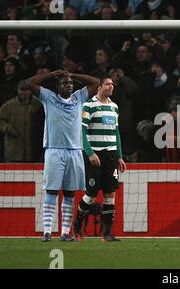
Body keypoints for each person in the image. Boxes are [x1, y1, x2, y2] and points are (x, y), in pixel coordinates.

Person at [27, 69, 100, 242]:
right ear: (57, 85)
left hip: (75, 151)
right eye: (65, 83)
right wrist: (52, 74)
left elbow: (96, 81)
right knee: (51, 191)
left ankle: (65, 233)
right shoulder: (49, 97)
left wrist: (74, 75)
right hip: (54, 150)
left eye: (70, 83)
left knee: (69, 193)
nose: (68, 85)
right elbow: (30, 83)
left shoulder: (79, 97)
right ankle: (46, 232)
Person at [73, 77, 127, 242]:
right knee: (91, 194)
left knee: (110, 194)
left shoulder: (114, 107)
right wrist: (89, 153)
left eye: (112, 85)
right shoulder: (89, 105)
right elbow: (81, 132)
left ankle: (107, 234)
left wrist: (119, 156)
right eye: (108, 84)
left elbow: (116, 133)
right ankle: (76, 230)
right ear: (99, 86)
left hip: (110, 155)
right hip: (94, 155)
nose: (111, 87)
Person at [0, 80, 43, 163]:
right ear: (17, 90)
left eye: (26, 90)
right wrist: (8, 128)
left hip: (32, 151)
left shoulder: (38, 105)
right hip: (13, 151)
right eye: (21, 89)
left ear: (31, 91)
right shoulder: (9, 105)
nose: (23, 92)